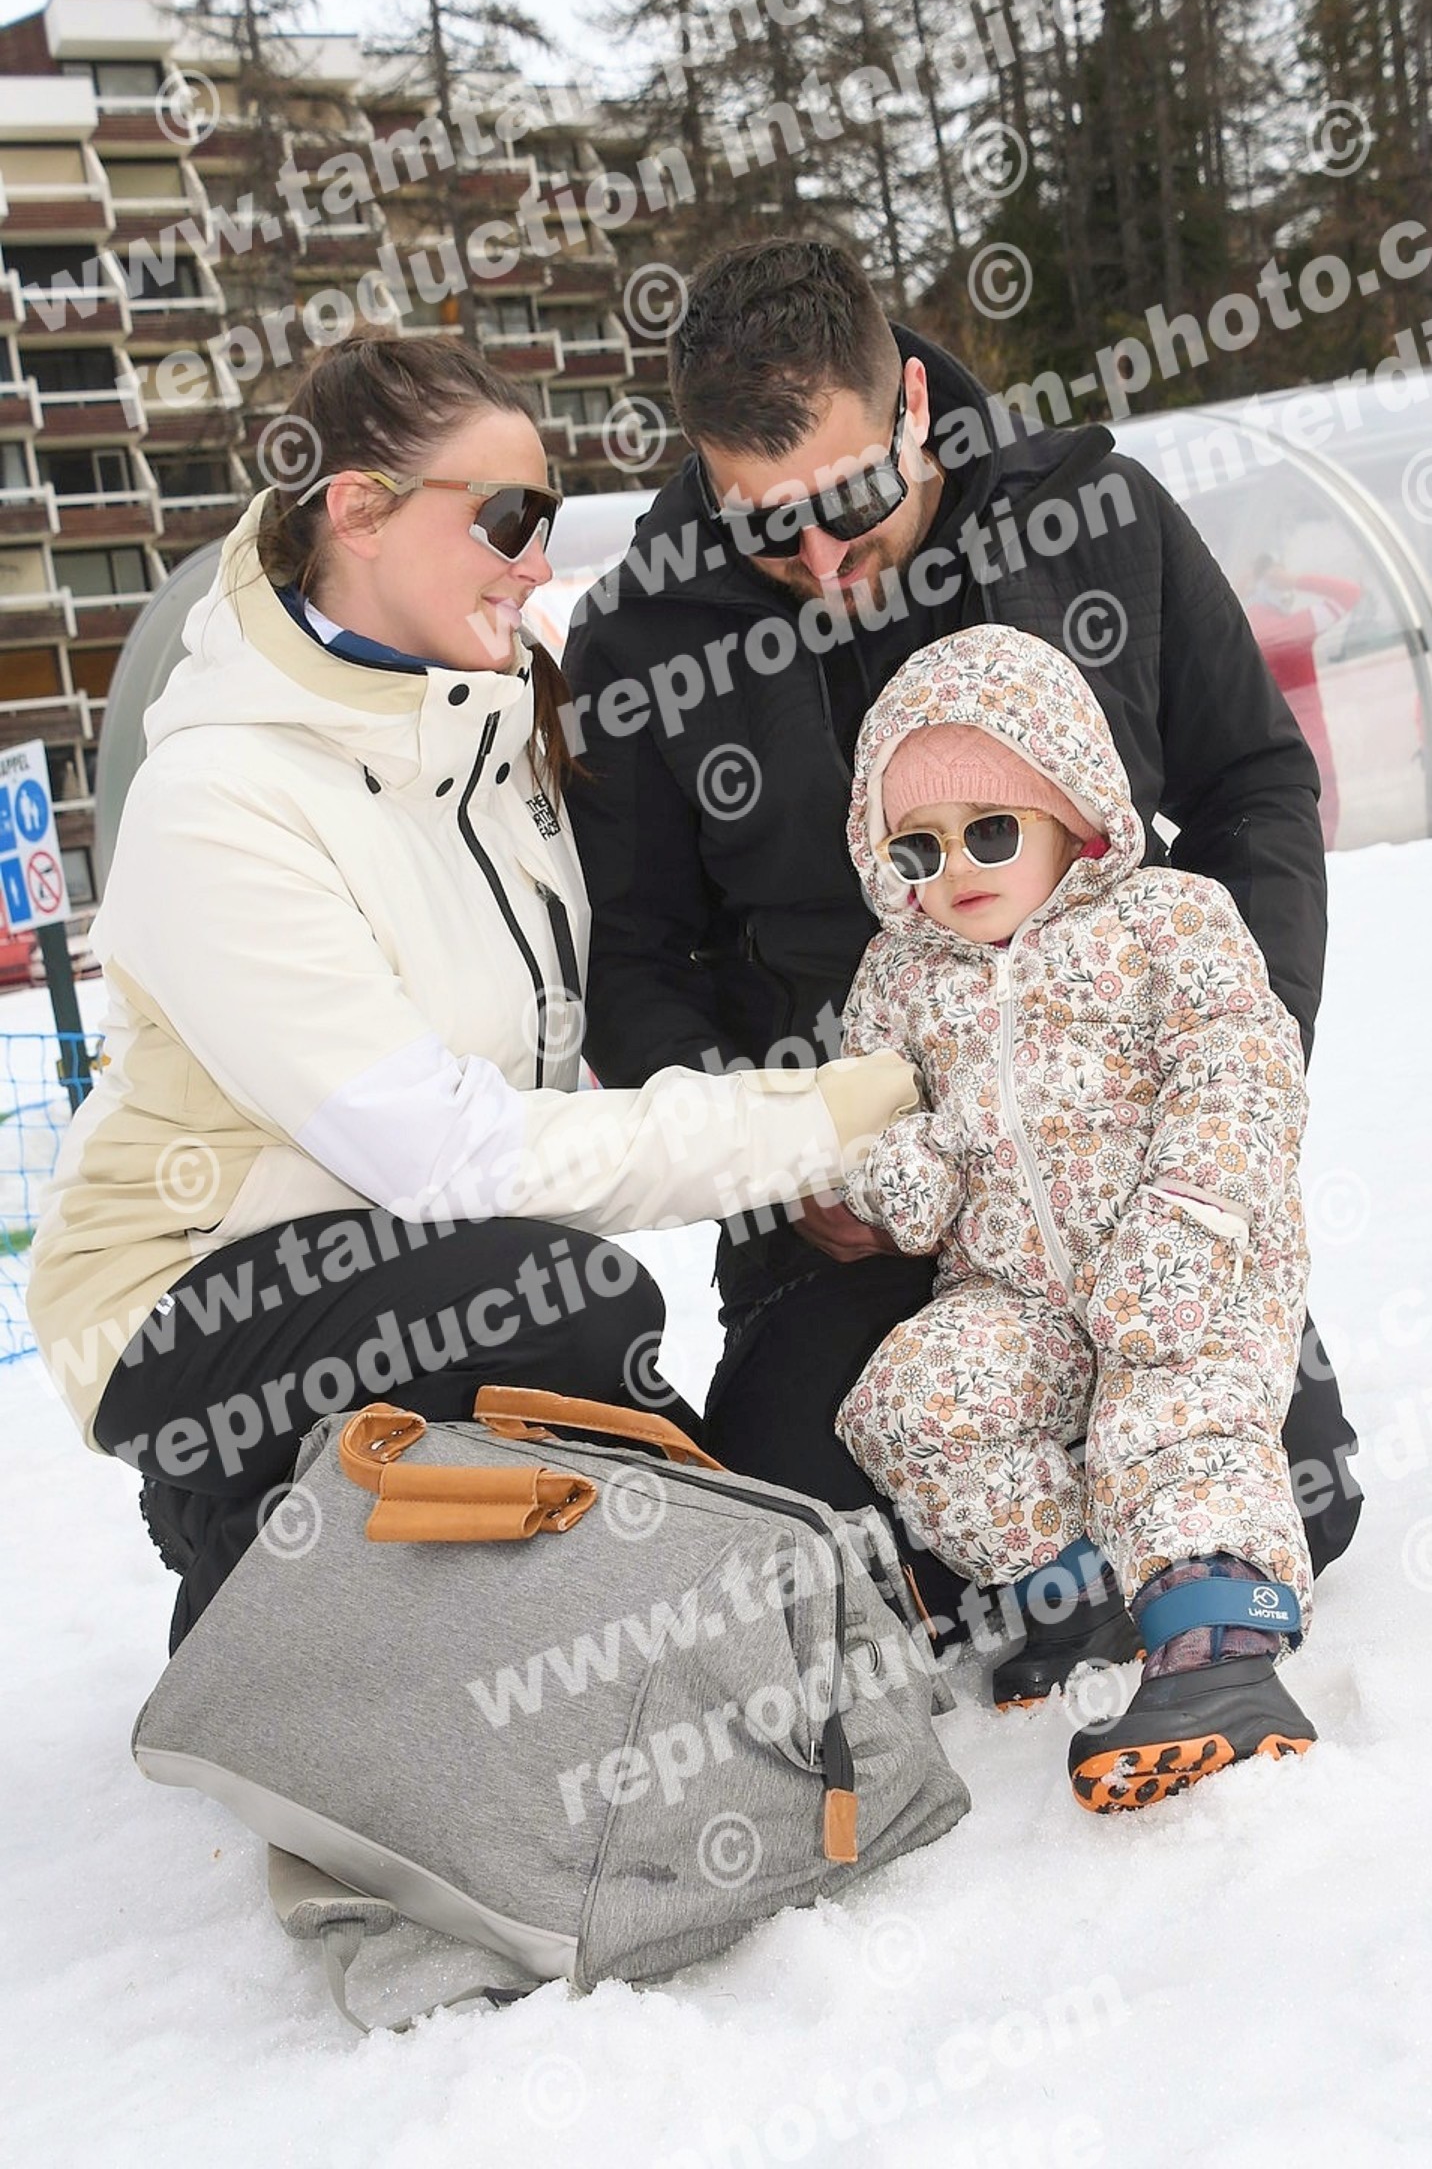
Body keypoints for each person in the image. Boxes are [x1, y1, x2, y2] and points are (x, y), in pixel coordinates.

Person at [26, 334, 918, 1652]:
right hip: (185, 1298)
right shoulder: (222, 801)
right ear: (358, 510)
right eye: (507, 516)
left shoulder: (489, 730)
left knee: (607, 1380)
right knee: (567, 1304)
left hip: (408, 1263)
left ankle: (307, 1530)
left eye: (545, 521)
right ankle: (250, 1586)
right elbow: (442, 1149)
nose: (535, 560)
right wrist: (816, 1120)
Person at [563, 238, 1362, 1649]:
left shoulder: (1091, 517)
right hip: (849, 1214)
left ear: (914, 406)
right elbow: (631, 962)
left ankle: (1123, 1532)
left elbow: (1252, 785)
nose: (821, 561)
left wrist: (1234, 1050)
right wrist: (784, 1158)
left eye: (851, 500)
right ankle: (1043, 1553)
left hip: (1111, 1171)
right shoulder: (642, 640)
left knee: (1305, 1497)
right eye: (766, 528)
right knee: (823, 1558)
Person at [831, 625, 1316, 1806]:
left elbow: (1242, 1064)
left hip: (1189, 1252)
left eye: (991, 829)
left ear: (1072, 812)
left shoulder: (1165, 918)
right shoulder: (899, 977)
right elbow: (881, 1118)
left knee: (1173, 1409)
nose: (956, 866)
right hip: (1017, 1292)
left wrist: (1190, 1219)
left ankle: (1218, 1645)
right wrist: (898, 1167)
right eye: (917, 845)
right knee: (909, 1400)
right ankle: (1079, 1584)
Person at [1243, 557, 1361, 846]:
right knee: (1323, 820)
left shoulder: (1241, 630)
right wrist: (1297, 580)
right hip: (1311, 745)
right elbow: (1350, 593)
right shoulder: (1295, 627)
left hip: (1264, 748)